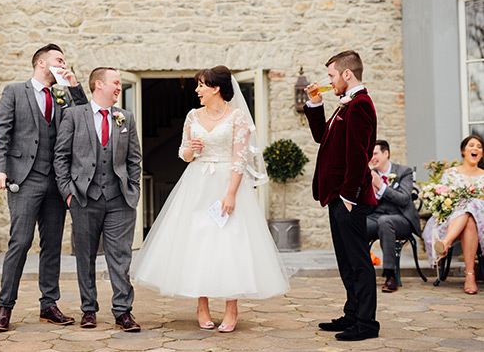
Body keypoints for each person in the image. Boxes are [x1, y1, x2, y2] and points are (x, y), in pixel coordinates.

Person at [131, 66, 290, 334]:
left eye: (202, 85)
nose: (197, 90)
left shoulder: (238, 117)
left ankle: (231, 308)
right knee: (196, 242)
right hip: (197, 184)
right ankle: (201, 306)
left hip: (227, 184)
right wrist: (190, 150)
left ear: (216, 88)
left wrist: (230, 194)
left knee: (231, 243)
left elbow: (240, 159)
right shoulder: (192, 115)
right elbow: (183, 154)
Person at [0, 43, 88, 331]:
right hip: (25, 179)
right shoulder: (14, 92)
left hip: (56, 181)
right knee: (20, 242)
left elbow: (85, 116)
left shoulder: (62, 96)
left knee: (52, 245)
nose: (63, 64)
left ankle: (49, 305)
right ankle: (5, 306)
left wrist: (72, 85)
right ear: (41, 64)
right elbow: (2, 132)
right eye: (59, 60)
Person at [54, 67, 142, 332]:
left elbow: (134, 159)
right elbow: (61, 157)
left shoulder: (125, 118)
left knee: (120, 257)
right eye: (115, 83)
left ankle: (123, 312)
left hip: (119, 200)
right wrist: (67, 193)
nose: (119, 87)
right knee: (85, 256)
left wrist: (133, 191)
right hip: (83, 198)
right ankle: (88, 309)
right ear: (98, 85)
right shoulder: (72, 115)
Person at [303, 50, 380, 341]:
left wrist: (349, 197)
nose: (330, 81)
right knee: (345, 260)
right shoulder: (346, 104)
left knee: (359, 261)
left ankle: (367, 324)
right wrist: (315, 103)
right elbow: (323, 137)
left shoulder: (360, 105)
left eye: (332, 75)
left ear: (347, 74)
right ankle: (352, 315)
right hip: (336, 196)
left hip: (349, 197)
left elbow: (359, 156)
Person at [423, 135, 484, 295]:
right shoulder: (450, 174)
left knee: (472, 209)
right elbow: (444, 199)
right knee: (468, 211)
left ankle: (446, 243)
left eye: (479, 146)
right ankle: (469, 276)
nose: (475, 149)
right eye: (471, 145)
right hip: (452, 220)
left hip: (480, 222)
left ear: (482, 153)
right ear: (464, 151)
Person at [367, 140, 421, 292]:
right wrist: (372, 193)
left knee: (386, 222)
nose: (372, 158)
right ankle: (361, 274)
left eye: (375, 153)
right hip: (375, 217)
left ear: (386, 153)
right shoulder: (369, 174)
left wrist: (382, 187)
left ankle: (390, 275)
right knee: (357, 224)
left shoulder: (404, 172)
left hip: (401, 218)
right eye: (370, 154)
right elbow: (366, 206)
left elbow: (404, 199)